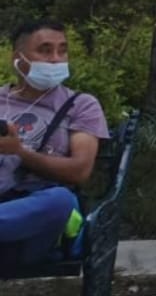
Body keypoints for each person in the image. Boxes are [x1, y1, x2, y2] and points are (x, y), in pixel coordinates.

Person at [0, 20, 109, 276]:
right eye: (45, 50)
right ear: (18, 59)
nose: (55, 59)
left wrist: (19, 152)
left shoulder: (80, 105)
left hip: (31, 224)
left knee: (60, 201)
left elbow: (79, 171)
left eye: (62, 50)